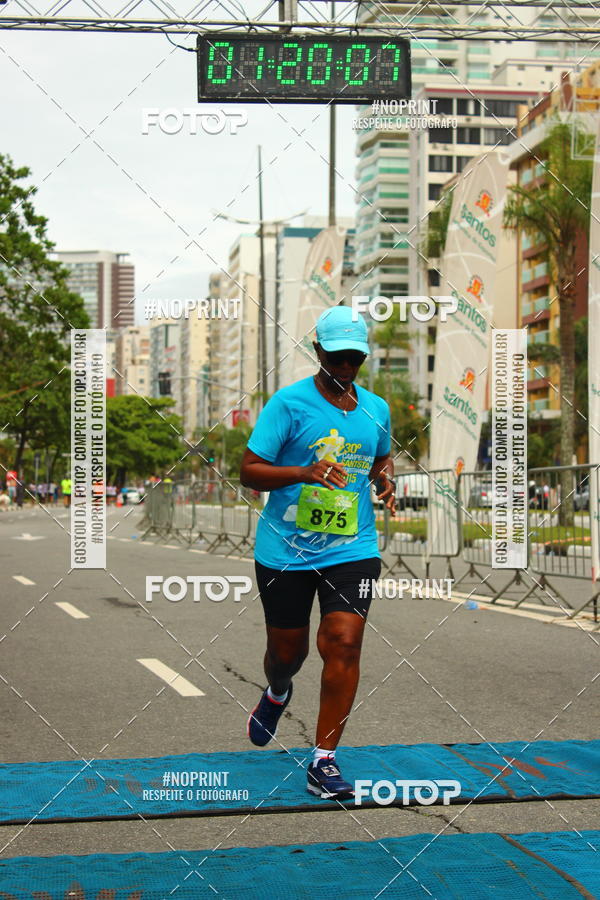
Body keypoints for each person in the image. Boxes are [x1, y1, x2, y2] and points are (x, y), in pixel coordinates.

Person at [240, 306, 396, 800]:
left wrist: (385, 481)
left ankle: (324, 760)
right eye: (338, 356)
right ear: (318, 351)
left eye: (356, 357)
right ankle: (278, 691)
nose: (347, 366)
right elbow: (249, 470)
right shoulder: (287, 405)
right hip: (284, 550)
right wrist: (305, 473)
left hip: (354, 547)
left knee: (345, 642)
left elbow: (381, 456)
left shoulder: (375, 408)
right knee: (288, 654)